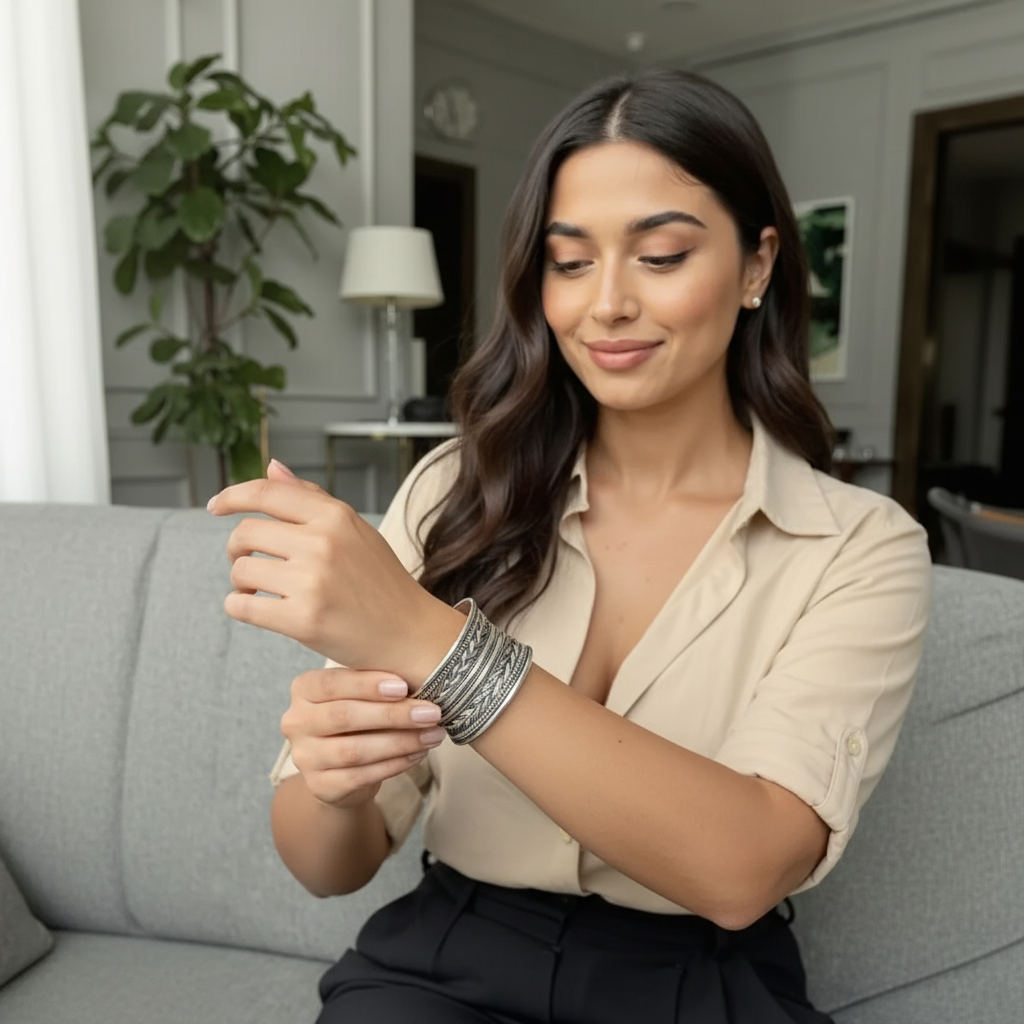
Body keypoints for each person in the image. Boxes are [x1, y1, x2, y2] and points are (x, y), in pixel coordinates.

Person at [207, 69, 931, 1024]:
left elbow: (744, 869)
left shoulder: (859, 548)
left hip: (698, 979)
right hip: (446, 957)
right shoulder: (453, 493)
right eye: (570, 261)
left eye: (662, 255)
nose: (607, 304)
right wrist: (334, 790)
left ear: (758, 265)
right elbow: (324, 867)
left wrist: (428, 640)